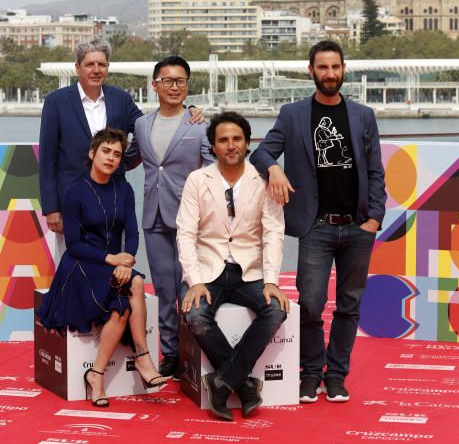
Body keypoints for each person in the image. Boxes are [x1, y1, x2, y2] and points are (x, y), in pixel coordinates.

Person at [250, 40, 386, 403]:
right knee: (310, 303)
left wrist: (374, 217)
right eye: (322, 68)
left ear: (344, 70)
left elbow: (375, 171)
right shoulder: (293, 114)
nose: (329, 74)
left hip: (358, 227)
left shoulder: (363, 116)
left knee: (349, 305)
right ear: (310, 70)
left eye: (335, 67)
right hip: (316, 226)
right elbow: (260, 151)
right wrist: (274, 167)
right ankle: (311, 373)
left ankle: (337, 374)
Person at [38, 128, 165, 407]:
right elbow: (73, 244)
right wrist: (113, 260)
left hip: (114, 263)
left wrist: (127, 259)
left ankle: (96, 375)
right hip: (81, 264)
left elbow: (132, 234)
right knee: (135, 284)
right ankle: (142, 359)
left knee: (125, 296)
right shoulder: (74, 193)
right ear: (92, 153)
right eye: (106, 151)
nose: (111, 158)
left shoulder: (124, 190)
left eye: (117, 154)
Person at [177, 111, 289, 421]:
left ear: (247, 142)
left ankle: (222, 381)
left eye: (236, 139)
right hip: (207, 267)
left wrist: (271, 281)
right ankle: (245, 383)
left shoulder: (263, 180)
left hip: (249, 271)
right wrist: (195, 281)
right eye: (223, 140)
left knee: (276, 310)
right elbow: (185, 233)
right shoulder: (197, 180)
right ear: (212, 145)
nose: (230, 145)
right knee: (196, 314)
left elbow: (274, 233)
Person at [129, 56, 213, 380]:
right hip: (154, 216)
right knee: (164, 289)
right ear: (155, 85)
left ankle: (194, 352)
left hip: (191, 220)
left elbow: (211, 169)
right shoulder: (141, 124)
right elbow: (130, 160)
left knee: (188, 288)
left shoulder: (199, 123)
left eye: (180, 81)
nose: (174, 86)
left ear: (187, 85)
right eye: (167, 81)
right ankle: (170, 354)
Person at [39, 37, 142, 235]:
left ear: (108, 67)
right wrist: (51, 208)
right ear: (78, 68)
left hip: (113, 200)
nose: (96, 70)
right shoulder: (56, 102)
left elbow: (145, 127)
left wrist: (127, 161)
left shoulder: (121, 99)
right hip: (71, 202)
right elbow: (47, 159)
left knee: (113, 262)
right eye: (90, 64)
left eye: (102, 64)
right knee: (72, 263)